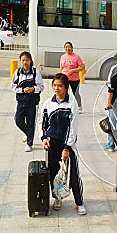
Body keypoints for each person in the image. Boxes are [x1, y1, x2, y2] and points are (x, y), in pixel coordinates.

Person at [40, 73, 86, 215]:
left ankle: (79, 203)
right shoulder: (48, 103)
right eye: (54, 85)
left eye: (60, 86)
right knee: (53, 173)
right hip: (52, 144)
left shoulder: (72, 103)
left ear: (66, 87)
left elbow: (73, 127)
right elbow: (42, 122)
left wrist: (67, 147)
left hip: (67, 145)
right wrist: (43, 138)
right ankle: (57, 198)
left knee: (72, 175)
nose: (57, 88)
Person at [11, 51, 45, 152]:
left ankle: (29, 143)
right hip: (21, 102)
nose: (25, 62)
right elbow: (13, 86)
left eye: (27, 60)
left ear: (30, 61)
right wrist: (22, 90)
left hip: (32, 103)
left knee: (31, 123)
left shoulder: (35, 72)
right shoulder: (17, 72)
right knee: (18, 120)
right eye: (23, 60)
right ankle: (28, 134)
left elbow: (41, 87)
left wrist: (33, 89)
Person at [60, 41, 84, 114]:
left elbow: (82, 67)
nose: (67, 48)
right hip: (65, 78)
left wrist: (73, 70)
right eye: (66, 47)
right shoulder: (63, 57)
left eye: (69, 47)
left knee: (76, 93)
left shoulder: (76, 57)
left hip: (74, 78)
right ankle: (65, 105)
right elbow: (61, 67)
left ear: (72, 48)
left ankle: (79, 106)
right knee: (64, 92)